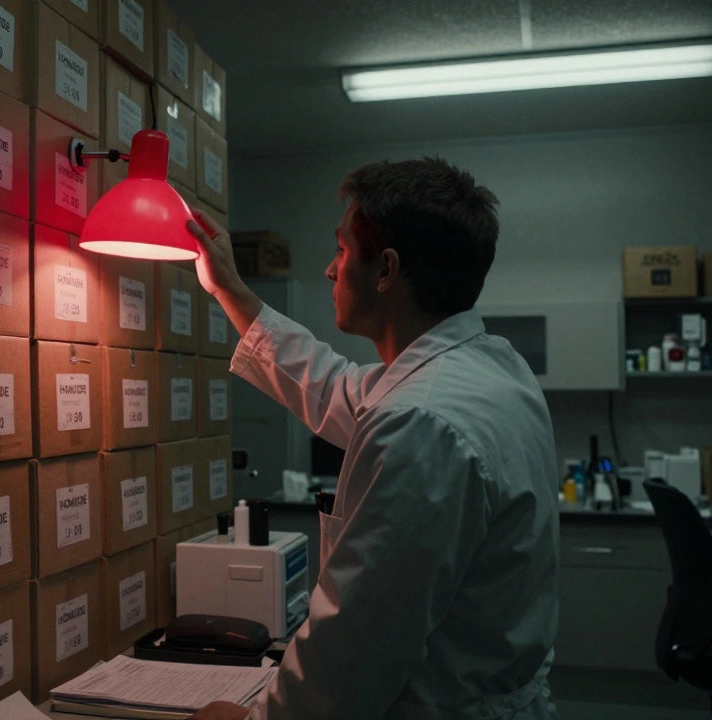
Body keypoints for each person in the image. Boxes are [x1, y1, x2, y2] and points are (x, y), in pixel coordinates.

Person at [184, 157, 561, 720]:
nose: (331, 270)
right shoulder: (487, 369)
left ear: (385, 269)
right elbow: (332, 386)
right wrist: (231, 289)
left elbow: (355, 652)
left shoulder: (423, 421)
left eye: (340, 250)